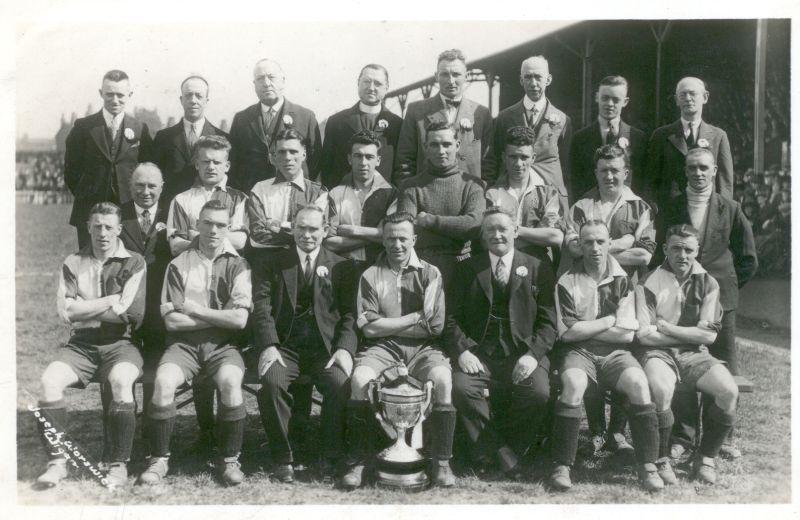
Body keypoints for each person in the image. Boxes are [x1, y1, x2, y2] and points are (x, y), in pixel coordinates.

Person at [138, 199, 252, 487]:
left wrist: (198, 310)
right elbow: (173, 322)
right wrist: (220, 316)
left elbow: (239, 321)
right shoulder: (178, 264)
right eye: (208, 223)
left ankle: (229, 460)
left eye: (220, 225)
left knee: (230, 381)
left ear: (228, 228)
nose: (213, 230)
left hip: (224, 346)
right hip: (183, 346)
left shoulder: (239, 264)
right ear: (197, 225)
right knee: (163, 382)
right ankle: (159, 458)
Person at [339, 212, 455, 489]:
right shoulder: (370, 274)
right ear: (383, 239)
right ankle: (358, 461)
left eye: (403, 238)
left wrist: (386, 323)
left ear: (414, 239)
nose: (397, 244)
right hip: (382, 349)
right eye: (391, 238)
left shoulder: (431, 273)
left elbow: (435, 327)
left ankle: (442, 462)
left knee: (443, 380)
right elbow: (368, 328)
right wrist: (415, 317)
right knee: (359, 380)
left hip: (424, 348)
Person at [36, 202, 146, 489]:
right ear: (87, 227)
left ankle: (118, 463)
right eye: (97, 226)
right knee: (49, 381)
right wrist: (109, 301)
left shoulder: (134, 261)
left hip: (120, 342)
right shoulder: (72, 261)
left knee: (122, 381)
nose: (103, 233)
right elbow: (66, 313)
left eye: (109, 227)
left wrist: (85, 307)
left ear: (119, 229)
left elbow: (129, 313)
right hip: (81, 345)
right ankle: (57, 463)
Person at [549, 220, 662, 492]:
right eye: (588, 242)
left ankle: (648, 465)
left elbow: (625, 336)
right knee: (574, 384)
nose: (595, 248)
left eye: (600, 241)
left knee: (638, 383)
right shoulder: (566, 280)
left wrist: (586, 329)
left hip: (616, 353)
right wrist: (609, 320)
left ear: (610, 243)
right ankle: (562, 465)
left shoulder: (624, 279)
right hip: (579, 353)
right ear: (579, 245)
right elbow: (567, 333)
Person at [660, 147, 757, 461]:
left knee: (724, 365)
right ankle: (684, 437)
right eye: (692, 168)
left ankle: (723, 437)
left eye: (704, 168)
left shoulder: (730, 207)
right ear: (685, 171)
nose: (698, 173)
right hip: (682, 299)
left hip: (722, 303)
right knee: (685, 365)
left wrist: (720, 290)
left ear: (715, 171)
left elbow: (748, 259)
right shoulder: (673, 206)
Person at [250, 205, 357, 483]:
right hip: (285, 346)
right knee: (272, 383)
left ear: (324, 231)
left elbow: (350, 314)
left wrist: (344, 348)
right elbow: (261, 309)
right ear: (292, 229)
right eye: (301, 228)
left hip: (326, 348)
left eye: (313, 229)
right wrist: (269, 345)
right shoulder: (272, 262)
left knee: (339, 383)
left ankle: (331, 453)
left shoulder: (342, 265)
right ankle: (283, 457)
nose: (307, 235)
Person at [447, 207, 557, 476]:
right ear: (482, 236)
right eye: (490, 230)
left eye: (503, 229)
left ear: (515, 231)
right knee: (462, 388)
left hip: (522, 353)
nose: (497, 235)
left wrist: (532, 355)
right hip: (479, 355)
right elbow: (449, 319)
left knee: (538, 392)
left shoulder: (538, 268)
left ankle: (508, 448)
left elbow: (549, 323)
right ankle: (503, 454)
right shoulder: (467, 269)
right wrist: (463, 351)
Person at [563, 144, 656, 453]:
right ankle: (598, 430)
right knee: (590, 350)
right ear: (595, 172)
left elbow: (643, 255)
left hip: (625, 288)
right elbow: (574, 248)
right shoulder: (580, 207)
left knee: (623, 351)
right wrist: (622, 242)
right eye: (603, 170)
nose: (609, 176)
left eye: (615, 170)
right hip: (589, 288)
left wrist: (602, 246)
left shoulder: (640, 207)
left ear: (625, 172)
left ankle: (617, 430)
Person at [636, 224, 739, 485]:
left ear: (697, 251)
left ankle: (706, 457)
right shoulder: (648, 281)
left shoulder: (708, 282)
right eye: (676, 248)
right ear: (665, 249)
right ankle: (661, 459)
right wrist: (689, 332)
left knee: (728, 391)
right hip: (657, 353)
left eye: (689, 250)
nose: (682, 255)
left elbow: (709, 336)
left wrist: (668, 327)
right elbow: (645, 335)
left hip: (695, 354)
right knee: (661, 389)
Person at [64, 70, 153, 248]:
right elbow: (71, 170)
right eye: (109, 94)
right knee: (91, 265)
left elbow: (147, 169)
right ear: (101, 93)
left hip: (127, 212)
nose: (114, 100)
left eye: (120, 95)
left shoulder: (140, 128)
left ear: (130, 95)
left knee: (126, 264)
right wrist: (88, 195)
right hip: (90, 210)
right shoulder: (83, 127)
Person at [396, 121, 486, 287]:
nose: (441, 151)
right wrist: (456, 227)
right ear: (425, 147)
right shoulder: (410, 186)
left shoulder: (473, 184)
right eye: (434, 145)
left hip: (463, 267)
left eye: (447, 144)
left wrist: (429, 220)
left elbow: (474, 225)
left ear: (457, 145)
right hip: (421, 267)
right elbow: (406, 232)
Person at [395, 49, 493, 185]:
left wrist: (483, 196)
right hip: (426, 195)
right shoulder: (415, 111)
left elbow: (489, 163)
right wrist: (409, 194)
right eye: (445, 74)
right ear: (436, 76)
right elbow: (404, 162)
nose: (451, 81)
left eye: (456, 74)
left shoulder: (482, 113)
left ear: (466, 75)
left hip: (469, 197)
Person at [644, 76, 734, 215]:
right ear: (676, 100)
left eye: (693, 93)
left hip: (707, 211)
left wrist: (722, 214)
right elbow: (650, 180)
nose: (687, 98)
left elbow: (725, 183)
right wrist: (655, 210)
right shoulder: (661, 135)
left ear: (705, 97)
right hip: (670, 213)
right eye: (682, 94)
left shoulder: (718, 136)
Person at [229, 59, 322, 191]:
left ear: (283, 81)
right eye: (260, 78)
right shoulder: (241, 119)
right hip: (252, 196)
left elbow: (316, 163)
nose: (266, 83)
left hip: (295, 195)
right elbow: (234, 163)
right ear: (254, 84)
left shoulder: (306, 117)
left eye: (271, 77)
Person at [490, 56, 571, 202]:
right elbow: (495, 158)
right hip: (512, 192)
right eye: (528, 77)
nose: (533, 83)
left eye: (538, 77)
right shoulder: (504, 117)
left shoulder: (563, 120)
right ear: (521, 80)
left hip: (550, 194)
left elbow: (567, 166)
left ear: (548, 79)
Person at [485, 126, 564, 267]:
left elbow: (555, 237)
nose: (518, 164)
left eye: (524, 157)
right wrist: (538, 230)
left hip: (538, 264)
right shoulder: (492, 194)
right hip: (502, 264)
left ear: (533, 158)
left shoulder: (548, 192)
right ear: (504, 157)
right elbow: (490, 240)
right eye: (513, 156)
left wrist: (514, 230)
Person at [320, 64, 402, 189]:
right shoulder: (336, 122)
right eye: (366, 82)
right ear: (358, 83)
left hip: (385, 199)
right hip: (344, 199)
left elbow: (401, 167)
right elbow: (327, 168)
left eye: (378, 84)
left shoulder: (398, 124)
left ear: (386, 87)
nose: (371, 88)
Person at [247, 129, 328, 254]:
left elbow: (317, 235)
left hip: (303, 263)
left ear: (304, 155)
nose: (287, 157)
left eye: (293, 151)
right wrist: (297, 231)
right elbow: (257, 236)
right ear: (274, 157)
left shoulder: (318, 193)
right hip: (267, 263)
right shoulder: (259, 189)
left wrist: (274, 225)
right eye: (282, 152)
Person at [166, 135, 249, 256]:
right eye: (206, 162)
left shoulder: (240, 199)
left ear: (227, 166)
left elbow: (239, 242)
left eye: (216, 162)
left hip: (226, 269)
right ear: (197, 164)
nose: (211, 167)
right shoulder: (181, 199)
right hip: (191, 269)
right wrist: (222, 235)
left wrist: (195, 235)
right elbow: (176, 247)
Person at [151, 76, 228, 205]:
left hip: (211, 208)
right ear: (181, 100)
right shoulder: (163, 138)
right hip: (171, 208)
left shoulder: (223, 138)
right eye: (188, 95)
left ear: (206, 100)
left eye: (199, 96)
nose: (193, 100)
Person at [325, 130, 398, 264]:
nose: (363, 162)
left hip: (380, 268)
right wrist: (376, 235)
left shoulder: (392, 194)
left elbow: (393, 235)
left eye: (369, 157)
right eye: (358, 156)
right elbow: (329, 243)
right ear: (349, 159)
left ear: (378, 160)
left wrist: (352, 230)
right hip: (343, 269)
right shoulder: (335, 193)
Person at [570, 75, 647, 202]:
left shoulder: (638, 138)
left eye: (616, 100)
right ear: (596, 97)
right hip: (590, 209)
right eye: (605, 98)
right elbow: (576, 183)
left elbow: (641, 180)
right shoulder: (580, 138)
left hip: (627, 211)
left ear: (625, 102)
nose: (609, 104)